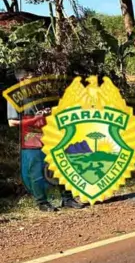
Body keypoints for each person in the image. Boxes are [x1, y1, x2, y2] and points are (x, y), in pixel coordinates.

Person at [7, 69, 84, 212]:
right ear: (22, 80)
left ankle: (67, 199)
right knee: (36, 171)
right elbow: (12, 122)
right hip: (31, 139)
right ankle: (42, 202)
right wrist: (34, 119)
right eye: (32, 77)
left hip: (49, 135)